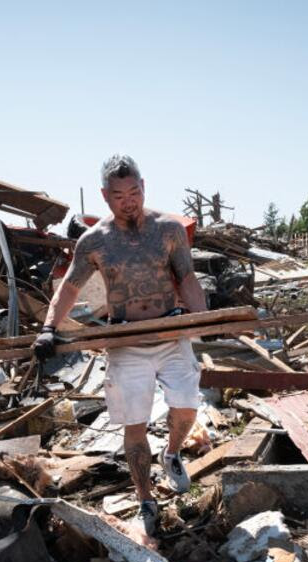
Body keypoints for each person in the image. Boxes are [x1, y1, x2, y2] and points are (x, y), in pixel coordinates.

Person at [33, 154, 208, 535]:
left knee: (186, 407)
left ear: (144, 187)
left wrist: (203, 320)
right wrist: (49, 328)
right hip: (124, 341)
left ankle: (173, 453)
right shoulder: (95, 241)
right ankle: (146, 498)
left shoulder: (169, 230)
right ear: (105, 196)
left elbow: (188, 277)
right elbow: (71, 287)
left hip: (168, 332)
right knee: (135, 425)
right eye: (118, 195)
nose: (128, 200)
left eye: (134, 192)